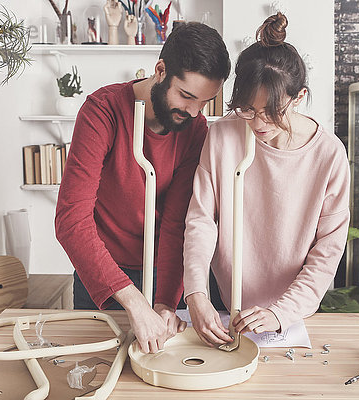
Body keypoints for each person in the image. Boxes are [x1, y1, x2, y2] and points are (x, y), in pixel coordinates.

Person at [55, 22, 230, 354]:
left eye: (205, 102)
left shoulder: (195, 129)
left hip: (162, 269)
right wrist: (133, 300)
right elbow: (71, 220)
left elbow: (178, 220)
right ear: (160, 71)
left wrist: (165, 302)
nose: (194, 111)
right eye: (187, 96)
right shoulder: (101, 111)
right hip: (103, 269)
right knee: (97, 370)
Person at [183, 13, 350, 346]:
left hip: (290, 313)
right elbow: (201, 221)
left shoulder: (329, 154)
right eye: (247, 109)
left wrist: (281, 312)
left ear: (298, 97)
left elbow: (327, 249)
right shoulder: (223, 136)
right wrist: (196, 293)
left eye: (271, 112)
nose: (258, 123)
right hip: (225, 299)